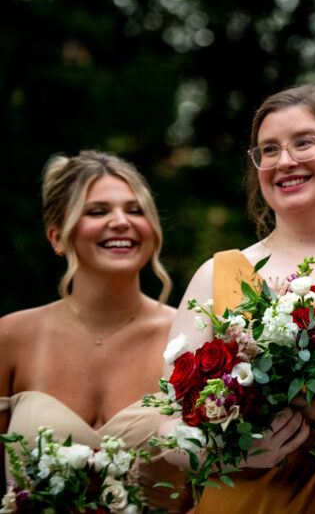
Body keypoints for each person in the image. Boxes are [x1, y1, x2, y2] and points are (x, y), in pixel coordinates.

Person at [167, 85, 315, 513]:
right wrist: (233, 451)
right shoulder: (216, 275)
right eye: (268, 150)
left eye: (304, 142)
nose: (285, 161)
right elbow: (164, 428)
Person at [0, 151, 192, 512]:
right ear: (57, 237)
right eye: (97, 211)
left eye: (135, 211)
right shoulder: (10, 338)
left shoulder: (189, 337)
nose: (121, 222)